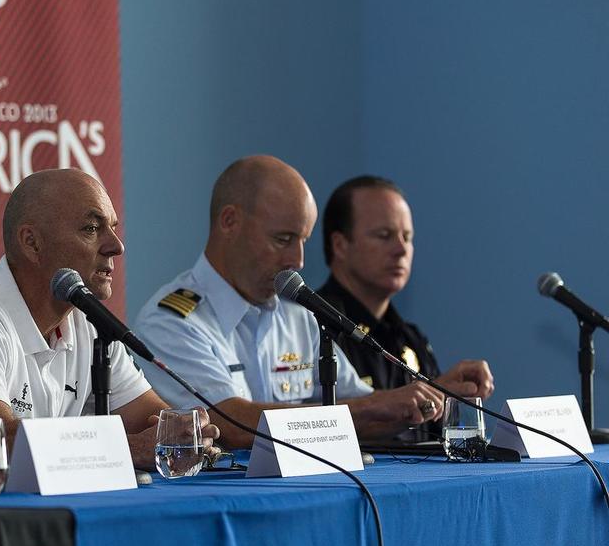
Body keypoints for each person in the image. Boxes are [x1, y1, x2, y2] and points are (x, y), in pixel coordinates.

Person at [131, 156, 494, 449]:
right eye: (284, 239)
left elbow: (366, 411)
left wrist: (433, 394)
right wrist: (372, 407)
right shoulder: (172, 321)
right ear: (229, 222)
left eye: (302, 239)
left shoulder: (299, 316)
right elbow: (229, 423)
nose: (298, 260)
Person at [0, 168, 218, 468]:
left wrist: (186, 432)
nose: (116, 246)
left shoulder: (88, 322)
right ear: (32, 243)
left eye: (113, 228)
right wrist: (130, 450)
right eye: (91, 229)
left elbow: (154, 422)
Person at [318, 175, 494, 399]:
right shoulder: (313, 330)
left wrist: (449, 394)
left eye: (407, 237)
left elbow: (433, 432)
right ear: (340, 245)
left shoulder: (410, 337)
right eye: (384, 236)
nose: (401, 250)